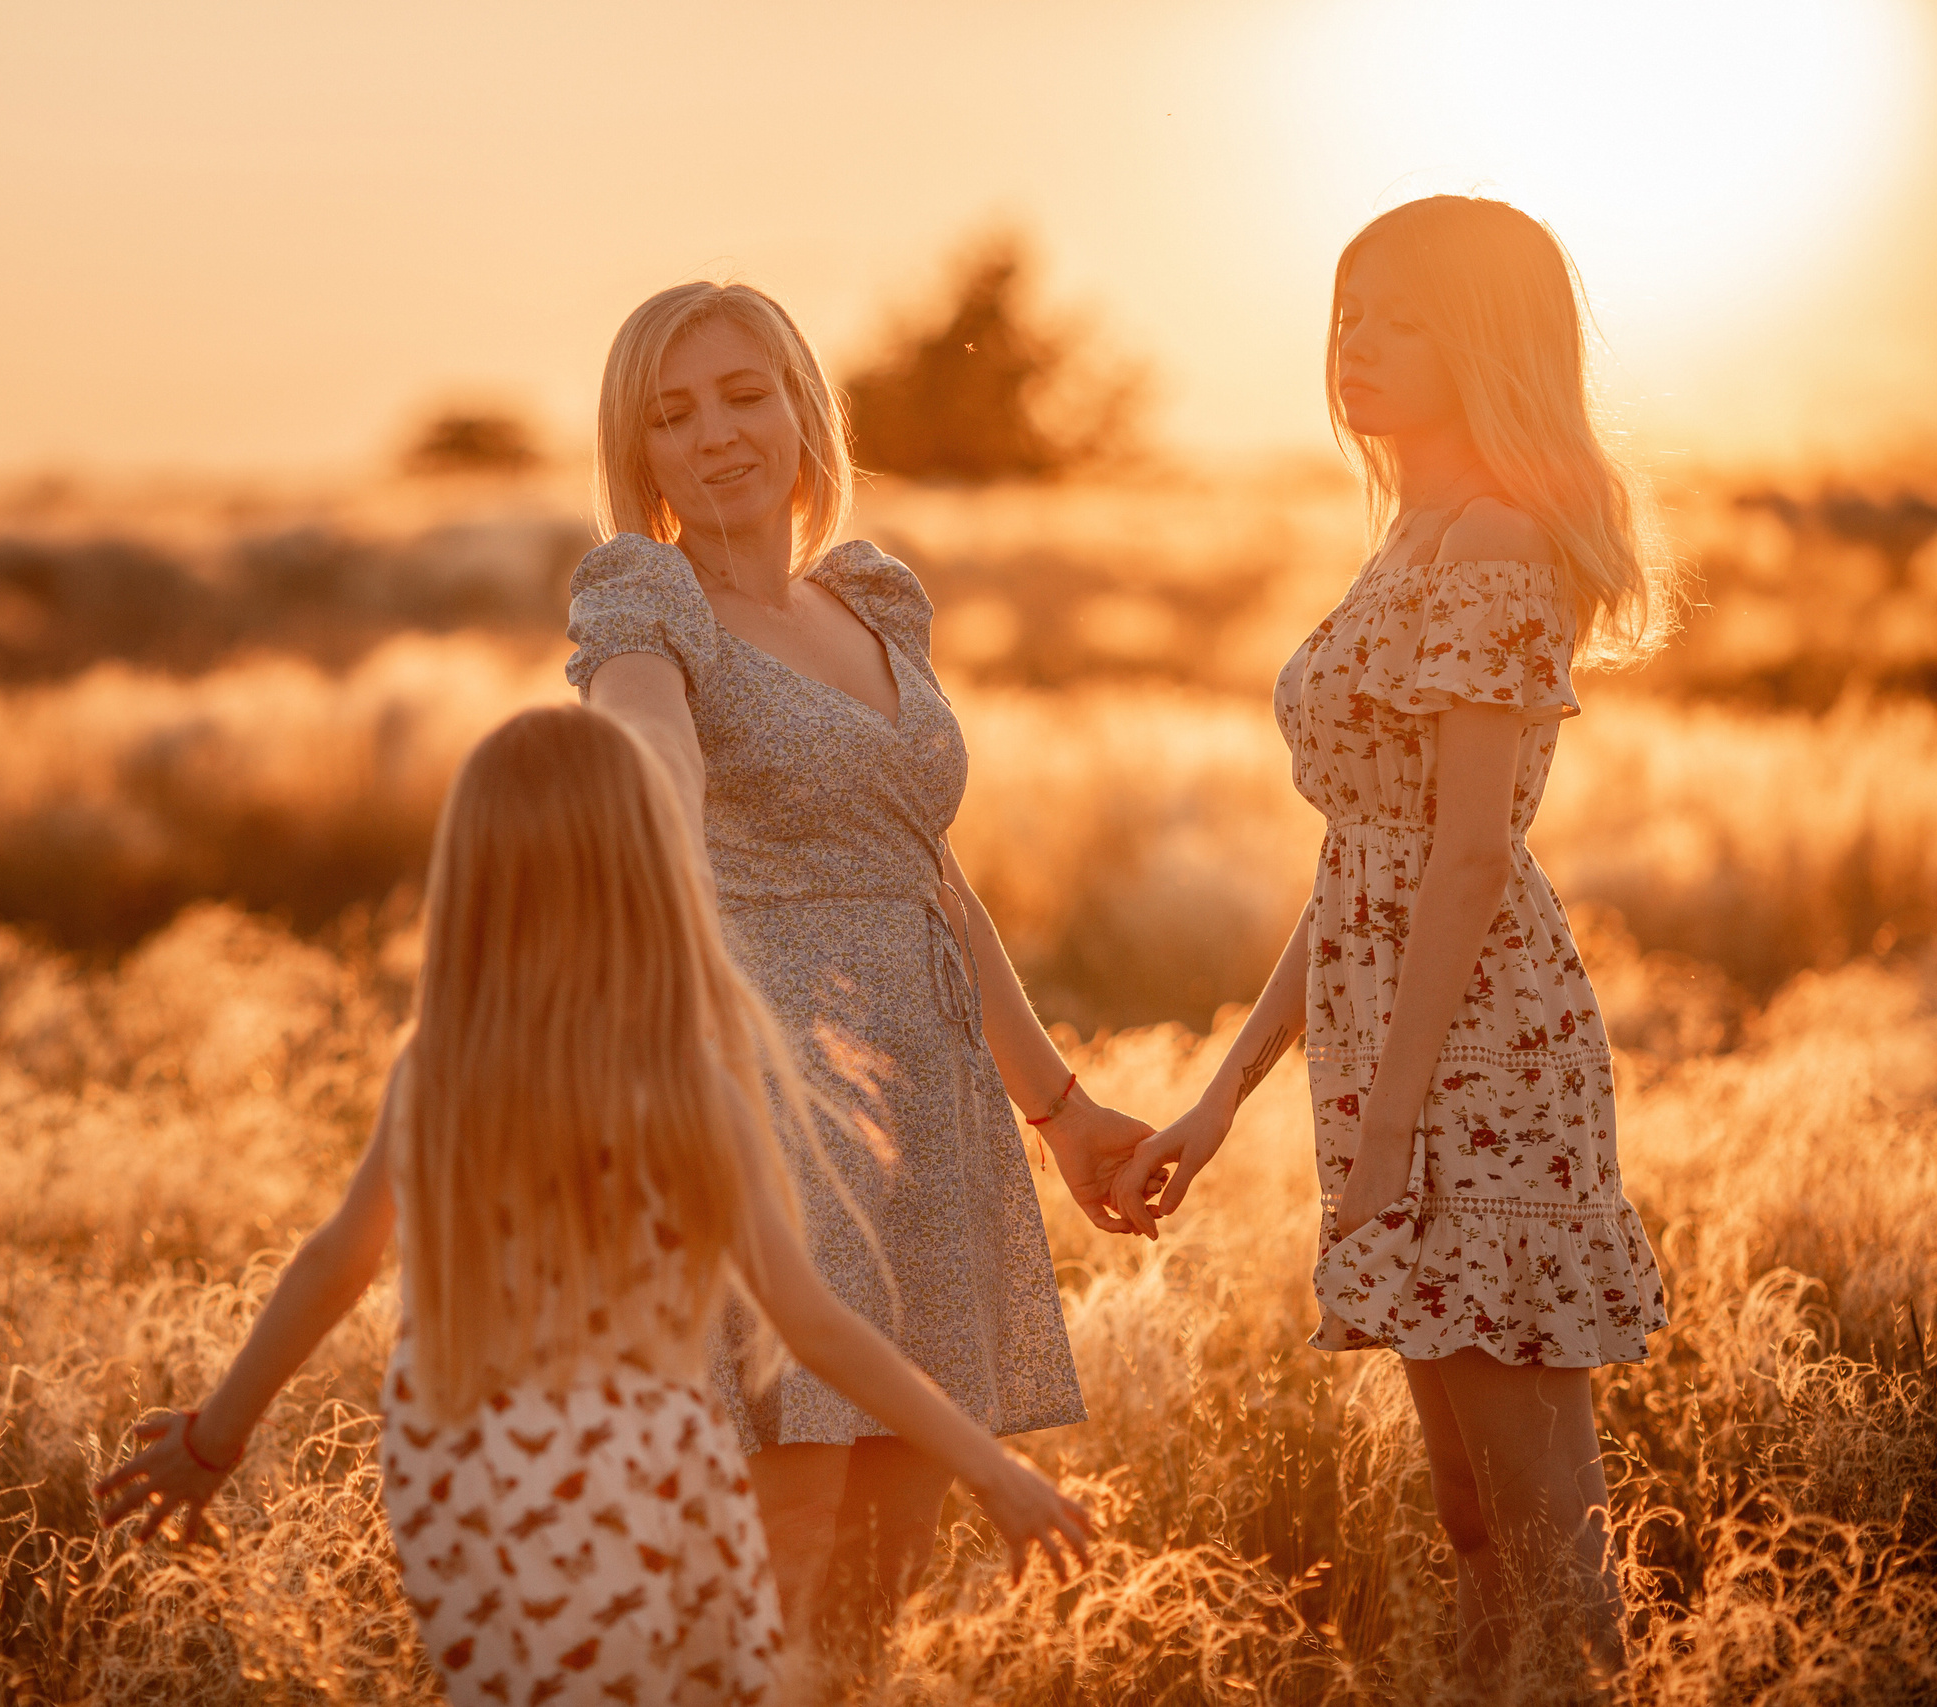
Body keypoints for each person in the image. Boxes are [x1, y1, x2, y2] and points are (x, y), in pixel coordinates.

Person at [91, 705, 1093, 1707]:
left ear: (476, 880)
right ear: (647, 869)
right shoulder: (686, 1081)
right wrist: (989, 1469)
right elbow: (812, 1322)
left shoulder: (441, 1069)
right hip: (642, 1463)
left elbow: (335, 1263)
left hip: (456, 1476)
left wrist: (215, 1438)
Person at [1111, 195, 1675, 1683]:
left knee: (1542, 1515)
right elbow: (1364, 865)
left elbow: (1474, 852)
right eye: (1353, 309)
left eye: (1407, 317)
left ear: (1486, 340)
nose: (1361, 343)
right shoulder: (1413, 531)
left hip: (1477, 1052)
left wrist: (1395, 1121)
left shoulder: (1491, 535)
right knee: (1472, 1513)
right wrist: (1226, 1093)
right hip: (1395, 1039)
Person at [565, 281, 1153, 1638]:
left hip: (928, 1101)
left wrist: (1059, 1107)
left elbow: (927, 874)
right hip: (766, 1085)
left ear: (802, 407)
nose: (717, 434)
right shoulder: (646, 592)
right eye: (673, 411)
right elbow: (641, 727)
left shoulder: (875, 599)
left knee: (886, 1568)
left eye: (745, 392)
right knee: (786, 1529)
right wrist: (645, 772)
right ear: (638, 449)